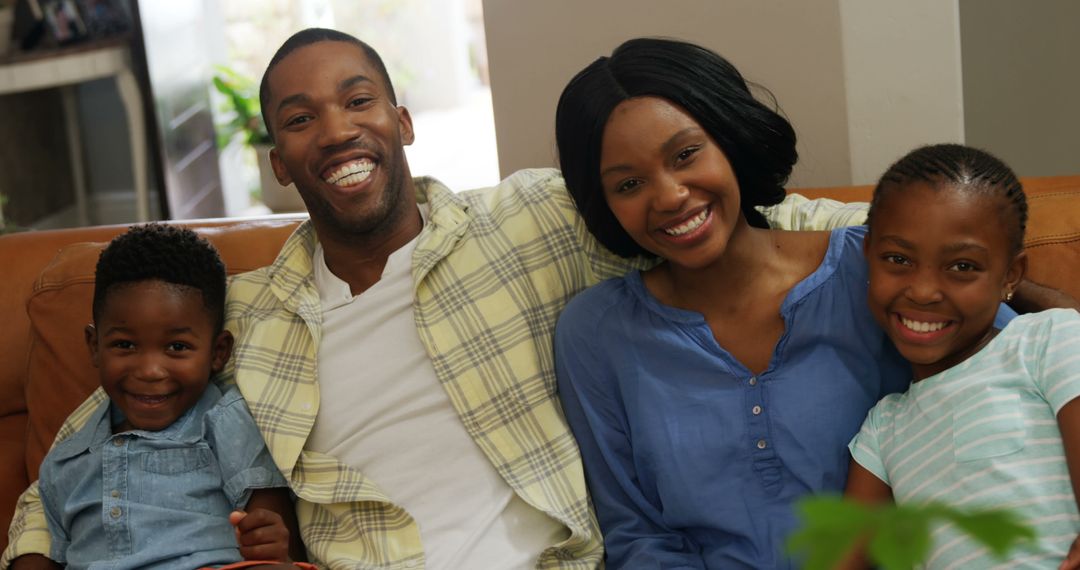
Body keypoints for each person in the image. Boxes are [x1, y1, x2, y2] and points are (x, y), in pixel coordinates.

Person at [0, 29, 1033, 570]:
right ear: (279, 162)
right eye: (302, 118)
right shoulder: (246, 321)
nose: (338, 130)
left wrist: (1002, 278)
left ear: (403, 121)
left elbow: (764, 220)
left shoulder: (532, 218)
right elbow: (117, 418)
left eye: (358, 101)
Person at [551, 38, 1023, 568]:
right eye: (629, 184)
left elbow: (1014, 384)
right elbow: (638, 534)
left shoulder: (872, 270)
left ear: (730, 140)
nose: (669, 196)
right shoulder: (597, 333)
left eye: (686, 155)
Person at [841, 144, 1080, 569]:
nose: (923, 291)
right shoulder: (884, 427)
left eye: (962, 267)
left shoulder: (1047, 339)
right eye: (897, 259)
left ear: (1011, 276)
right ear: (868, 260)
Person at [28, 224, 307, 569]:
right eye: (124, 345)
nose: (150, 370)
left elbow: (275, 535)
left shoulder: (226, 421)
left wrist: (270, 541)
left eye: (177, 347)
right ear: (94, 346)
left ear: (218, 352)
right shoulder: (66, 461)